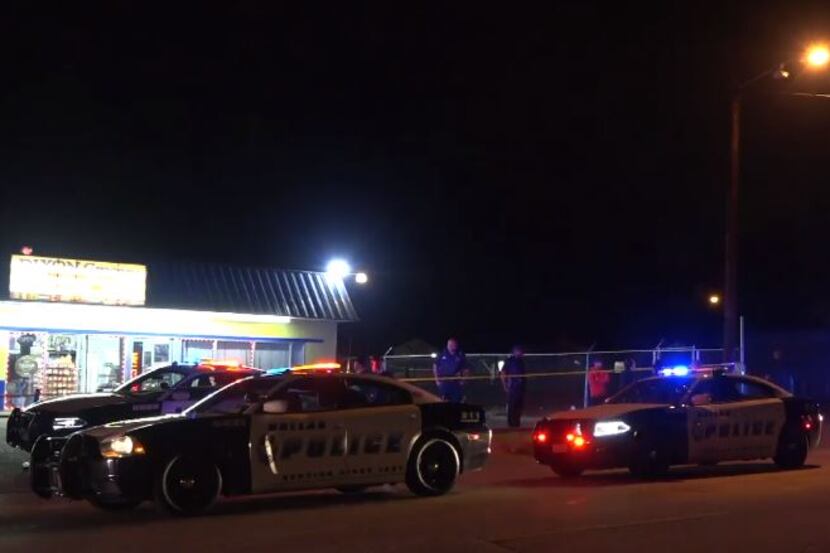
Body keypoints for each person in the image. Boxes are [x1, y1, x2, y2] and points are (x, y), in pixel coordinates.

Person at [500, 345, 526, 428]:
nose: (521, 353)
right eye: (519, 351)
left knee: (519, 406)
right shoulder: (509, 361)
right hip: (512, 388)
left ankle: (517, 423)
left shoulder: (521, 362)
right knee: (512, 406)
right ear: (514, 352)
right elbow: (503, 374)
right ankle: (511, 424)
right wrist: (505, 386)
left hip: (520, 388)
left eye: (521, 352)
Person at [433, 338, 467, 403]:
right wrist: (436, 380)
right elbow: (435, 366)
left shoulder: (460, 354)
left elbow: (466, 368)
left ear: (456, 345)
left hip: (456, 382)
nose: (451, 346)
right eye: (450, 344)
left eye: (453, 344)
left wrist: (463, 380)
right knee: (444, 400)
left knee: (457, 400)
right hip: (444, 382)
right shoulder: (441, 354)